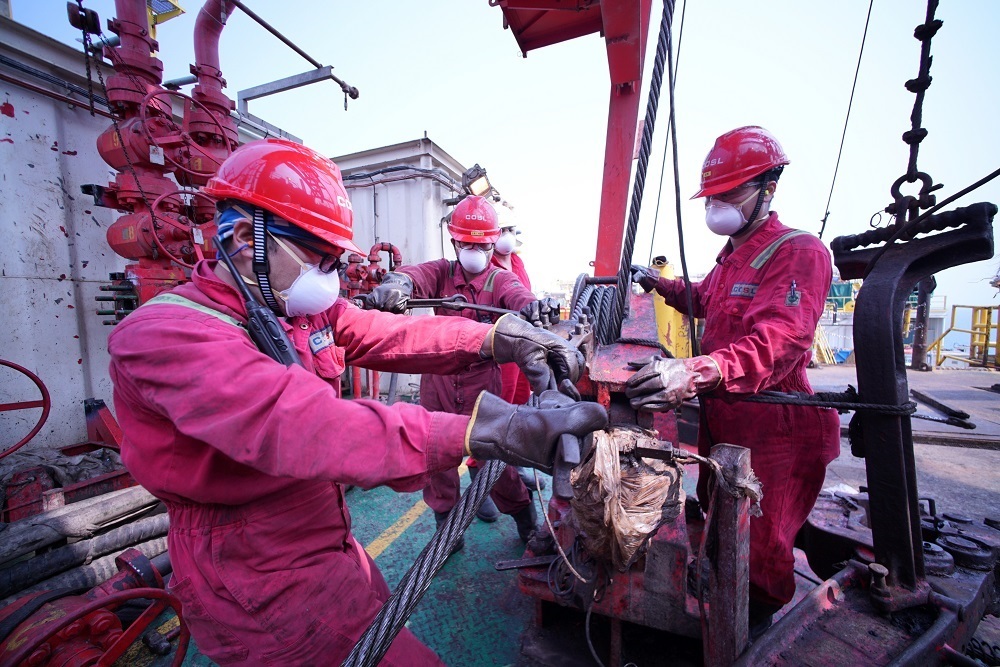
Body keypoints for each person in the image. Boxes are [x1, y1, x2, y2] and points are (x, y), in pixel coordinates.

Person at [107, 139, 608, 666]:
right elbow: (306, 424)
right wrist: (485, 432)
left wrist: (499, 339)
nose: (328, 277)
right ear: (238, 238)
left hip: (327, 536)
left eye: (334, 261)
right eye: (317, 259)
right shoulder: (167, 336)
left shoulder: (286, 308)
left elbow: (388, 333)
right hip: (253, 572)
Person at [627, 126, 840, 634]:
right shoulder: (734, 255)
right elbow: (706, 298)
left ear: (769, 188)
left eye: (729, 194)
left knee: (760, 543)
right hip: (728, 419)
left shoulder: (798, 251)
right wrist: (658, 283)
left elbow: (783, 338)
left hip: (774, 429)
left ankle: (753, 626)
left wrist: (699, 369)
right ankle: (722, 583)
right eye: (713, 196)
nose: (717, 205)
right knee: (721, 511)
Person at [366, 195, 558, 546]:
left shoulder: (499, 280)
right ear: (454, 242)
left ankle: (525, 521)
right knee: (436, 460)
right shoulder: (441, 272)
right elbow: (415, 275)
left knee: (495, 461)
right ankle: (447, 534)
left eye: (480, 244)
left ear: (491, 244)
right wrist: (399, 284)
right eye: (465, 243)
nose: (473, 250)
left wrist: (533, 308)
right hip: (437, 383)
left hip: (483, 387)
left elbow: (516, 293)